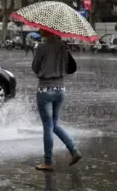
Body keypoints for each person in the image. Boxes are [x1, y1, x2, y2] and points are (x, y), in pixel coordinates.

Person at [32, 29, 81, 171]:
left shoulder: (41, 46)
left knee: (48, 126)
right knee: (54, 124)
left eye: (42, 28)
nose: (39, 29)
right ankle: (73, 150)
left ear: (47, 30)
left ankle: (48, 162)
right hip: (60, 90)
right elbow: (68, 67)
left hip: (45, 90)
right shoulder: (62, 46)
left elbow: (35, 68)